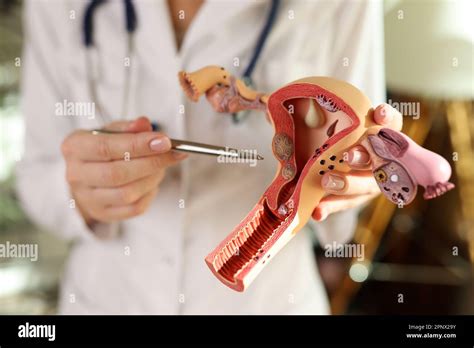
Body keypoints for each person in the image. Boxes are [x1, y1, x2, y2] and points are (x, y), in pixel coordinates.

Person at [17, 0, 402, 314]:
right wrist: (82, 193)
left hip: (269, 300)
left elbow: (349, 210)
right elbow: (35, 180)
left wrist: (353, 183)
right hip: (106, 298)